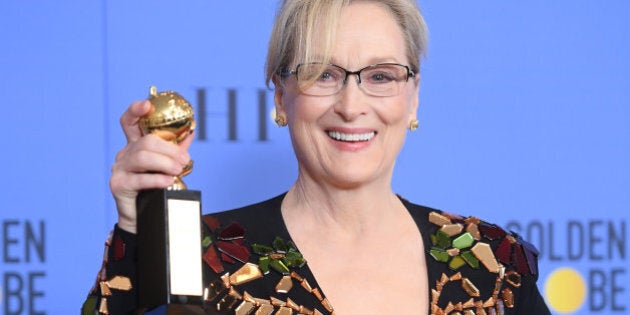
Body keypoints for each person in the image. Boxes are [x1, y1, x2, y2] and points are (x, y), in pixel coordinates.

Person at [83, 0, 551, 314]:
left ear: (413, 98)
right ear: (281, 98)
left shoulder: (491, 264)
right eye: (323, 74)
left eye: (382, 76)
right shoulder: (204, 257)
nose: (351, 105)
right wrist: (137, 233)